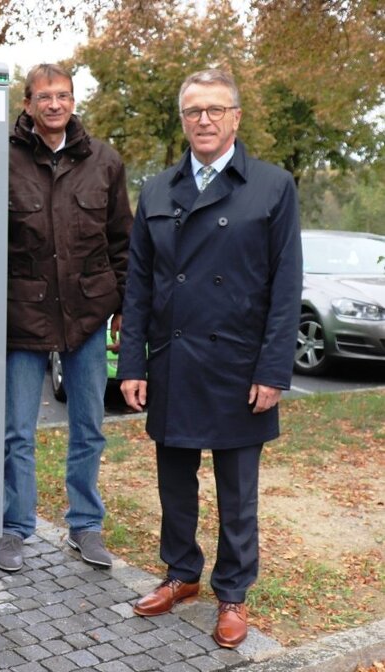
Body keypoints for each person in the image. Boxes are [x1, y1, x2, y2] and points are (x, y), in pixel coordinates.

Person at [119, 69, 302, 649]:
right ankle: (181, 573)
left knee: (236, 491)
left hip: (238, 365)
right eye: (193, 111)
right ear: (183, 120)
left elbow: (285, 287)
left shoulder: (272, 186)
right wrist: (131, 364)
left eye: (215, 110)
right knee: (174, 480)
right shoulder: (156, 189)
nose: (204, 120)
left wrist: (273, 370)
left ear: (235, 118)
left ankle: (233, 594)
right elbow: (138, 286)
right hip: (173, 359)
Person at [0, 63, 132, 573]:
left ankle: (85, 525)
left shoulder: (104, 160)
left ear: (73, 101)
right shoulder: (1, 159)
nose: (54, 104)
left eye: (63, 95)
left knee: (88, 426)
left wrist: (123, 306)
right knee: (17, 431)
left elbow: (122, 241)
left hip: (88, 313)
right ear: (27, 104)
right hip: (23, 314)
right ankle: (15, 527)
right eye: (44, 96)